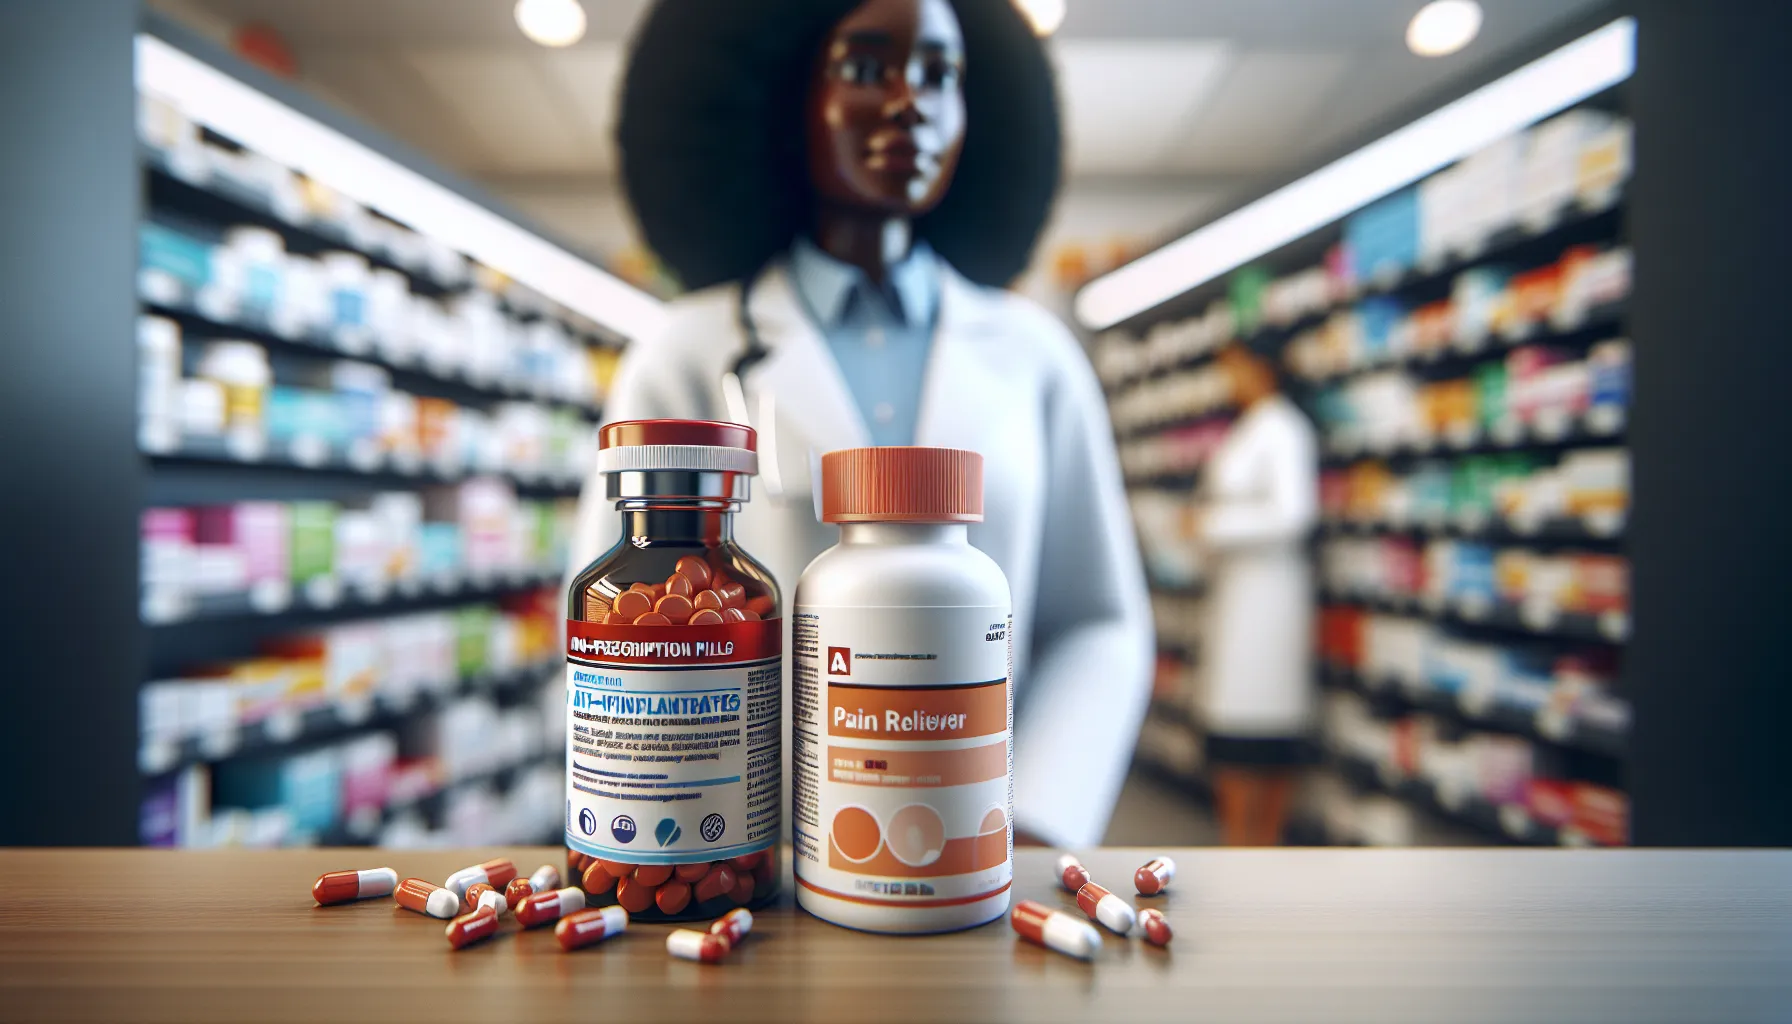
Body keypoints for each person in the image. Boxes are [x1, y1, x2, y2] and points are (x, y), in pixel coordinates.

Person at [569, 0, 1153, 848]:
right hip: (736, 851)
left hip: (973, 851)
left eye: (939, 75)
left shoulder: (1037, 357)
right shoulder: (685, 354)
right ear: (785, 97)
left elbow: (1097, 618)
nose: (910, 103)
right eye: (868, 68)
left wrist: (1033, 824)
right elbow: (606, 630)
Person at [1187, 341, 1320, 846]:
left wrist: (1211, 524)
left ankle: (1258, 842)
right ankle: (1238, 839)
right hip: (1239, 589)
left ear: (1262, 368)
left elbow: (1292, 514)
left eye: (1234, 368)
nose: (1228, 380)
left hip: (1269, 595)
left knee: (1262, 724)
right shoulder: (1251, 428)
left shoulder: (1284, 427)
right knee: (1232, 722)